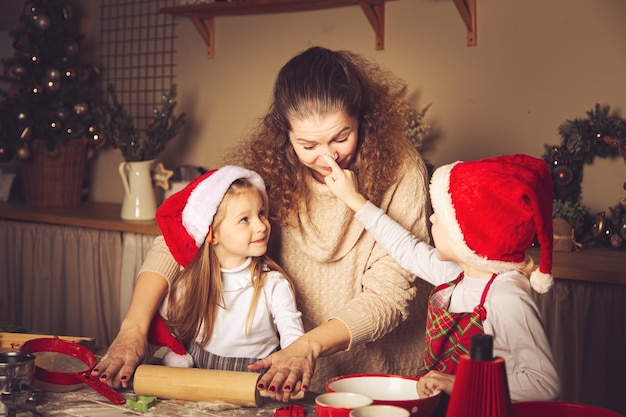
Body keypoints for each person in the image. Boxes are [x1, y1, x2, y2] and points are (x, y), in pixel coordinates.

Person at [93, 46, 432, 400]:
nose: (328, 157)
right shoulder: (265, 169)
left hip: (375, 376)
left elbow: (390, 294)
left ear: (363, 118)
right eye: (308, 144)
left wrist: (307, 346)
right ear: (285, 134)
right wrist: (133, 328)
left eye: (341, 137)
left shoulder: (400, 170)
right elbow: (181, 234)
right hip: (283, 376)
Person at [323, 153, 560, 411]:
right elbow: (405, 248)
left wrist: (457, 382)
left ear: (469, 237)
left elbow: (543, 383)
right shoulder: (458, 274)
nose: (432, 219)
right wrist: (353, 199)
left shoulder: (506, 296)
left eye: (441, 217)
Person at [145, 165, 304, 372]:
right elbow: (157, 332)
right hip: (199, 385)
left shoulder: (273, 284)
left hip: (255, 383)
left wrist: (293, 364)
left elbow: (294, 340)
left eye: (262, 213)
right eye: (244, 219)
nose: (262, 226)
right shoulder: (189, 284)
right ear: (212, 233)